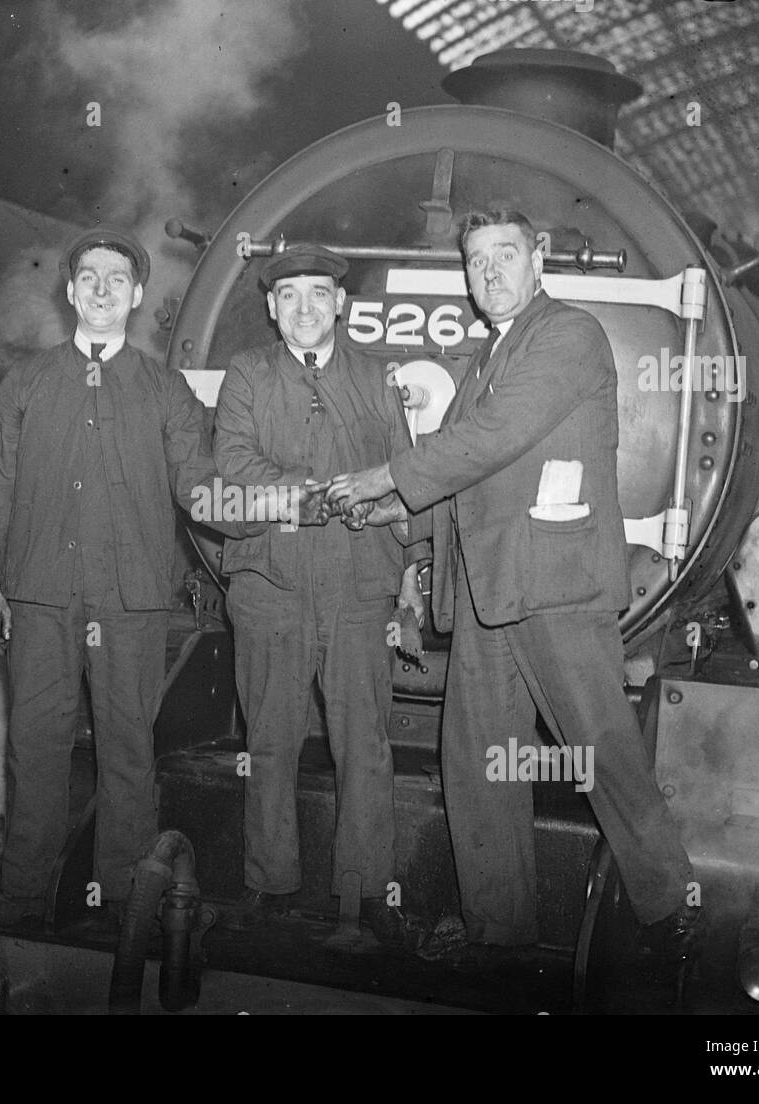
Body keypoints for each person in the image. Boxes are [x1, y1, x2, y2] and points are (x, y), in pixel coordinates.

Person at [326, 210, 702, 963]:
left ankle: (673, 915)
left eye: (505, 254)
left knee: (599, 754)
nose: (489, 272)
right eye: (475, 261)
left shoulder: (566, 334)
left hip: (555, 589)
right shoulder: (485, 360)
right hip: (489, 593)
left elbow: (489, 441)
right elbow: (464, 481)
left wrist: (385, 477)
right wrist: (395, 515)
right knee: (476, 760)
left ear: (540, 259)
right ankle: (499, 929)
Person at [0, 224, 251, 931]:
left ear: (136, 295)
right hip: (40, 592)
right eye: (88, 277)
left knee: (128, 746)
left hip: (129, 600)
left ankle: (124, 898)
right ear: (70, 291)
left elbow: (197, 485)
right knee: (35, 742)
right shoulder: (27, 383)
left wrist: (268, 509)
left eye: (116, 280)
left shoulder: (165, 390)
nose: (101, 290)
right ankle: (24, 892)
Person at [213, 244, 429, 944]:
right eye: (289, 297)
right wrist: (322, 493)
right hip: (270, 585)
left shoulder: (377, 377)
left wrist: (411, 576)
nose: (305, 308)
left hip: (360, 586)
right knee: (269, 742)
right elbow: (234, 467)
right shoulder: (246, 375)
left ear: (341, 304)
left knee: (363, 745)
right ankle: (268, 888)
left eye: (318, 294)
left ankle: (364, 896)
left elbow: (407, 476)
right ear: (272, 309)